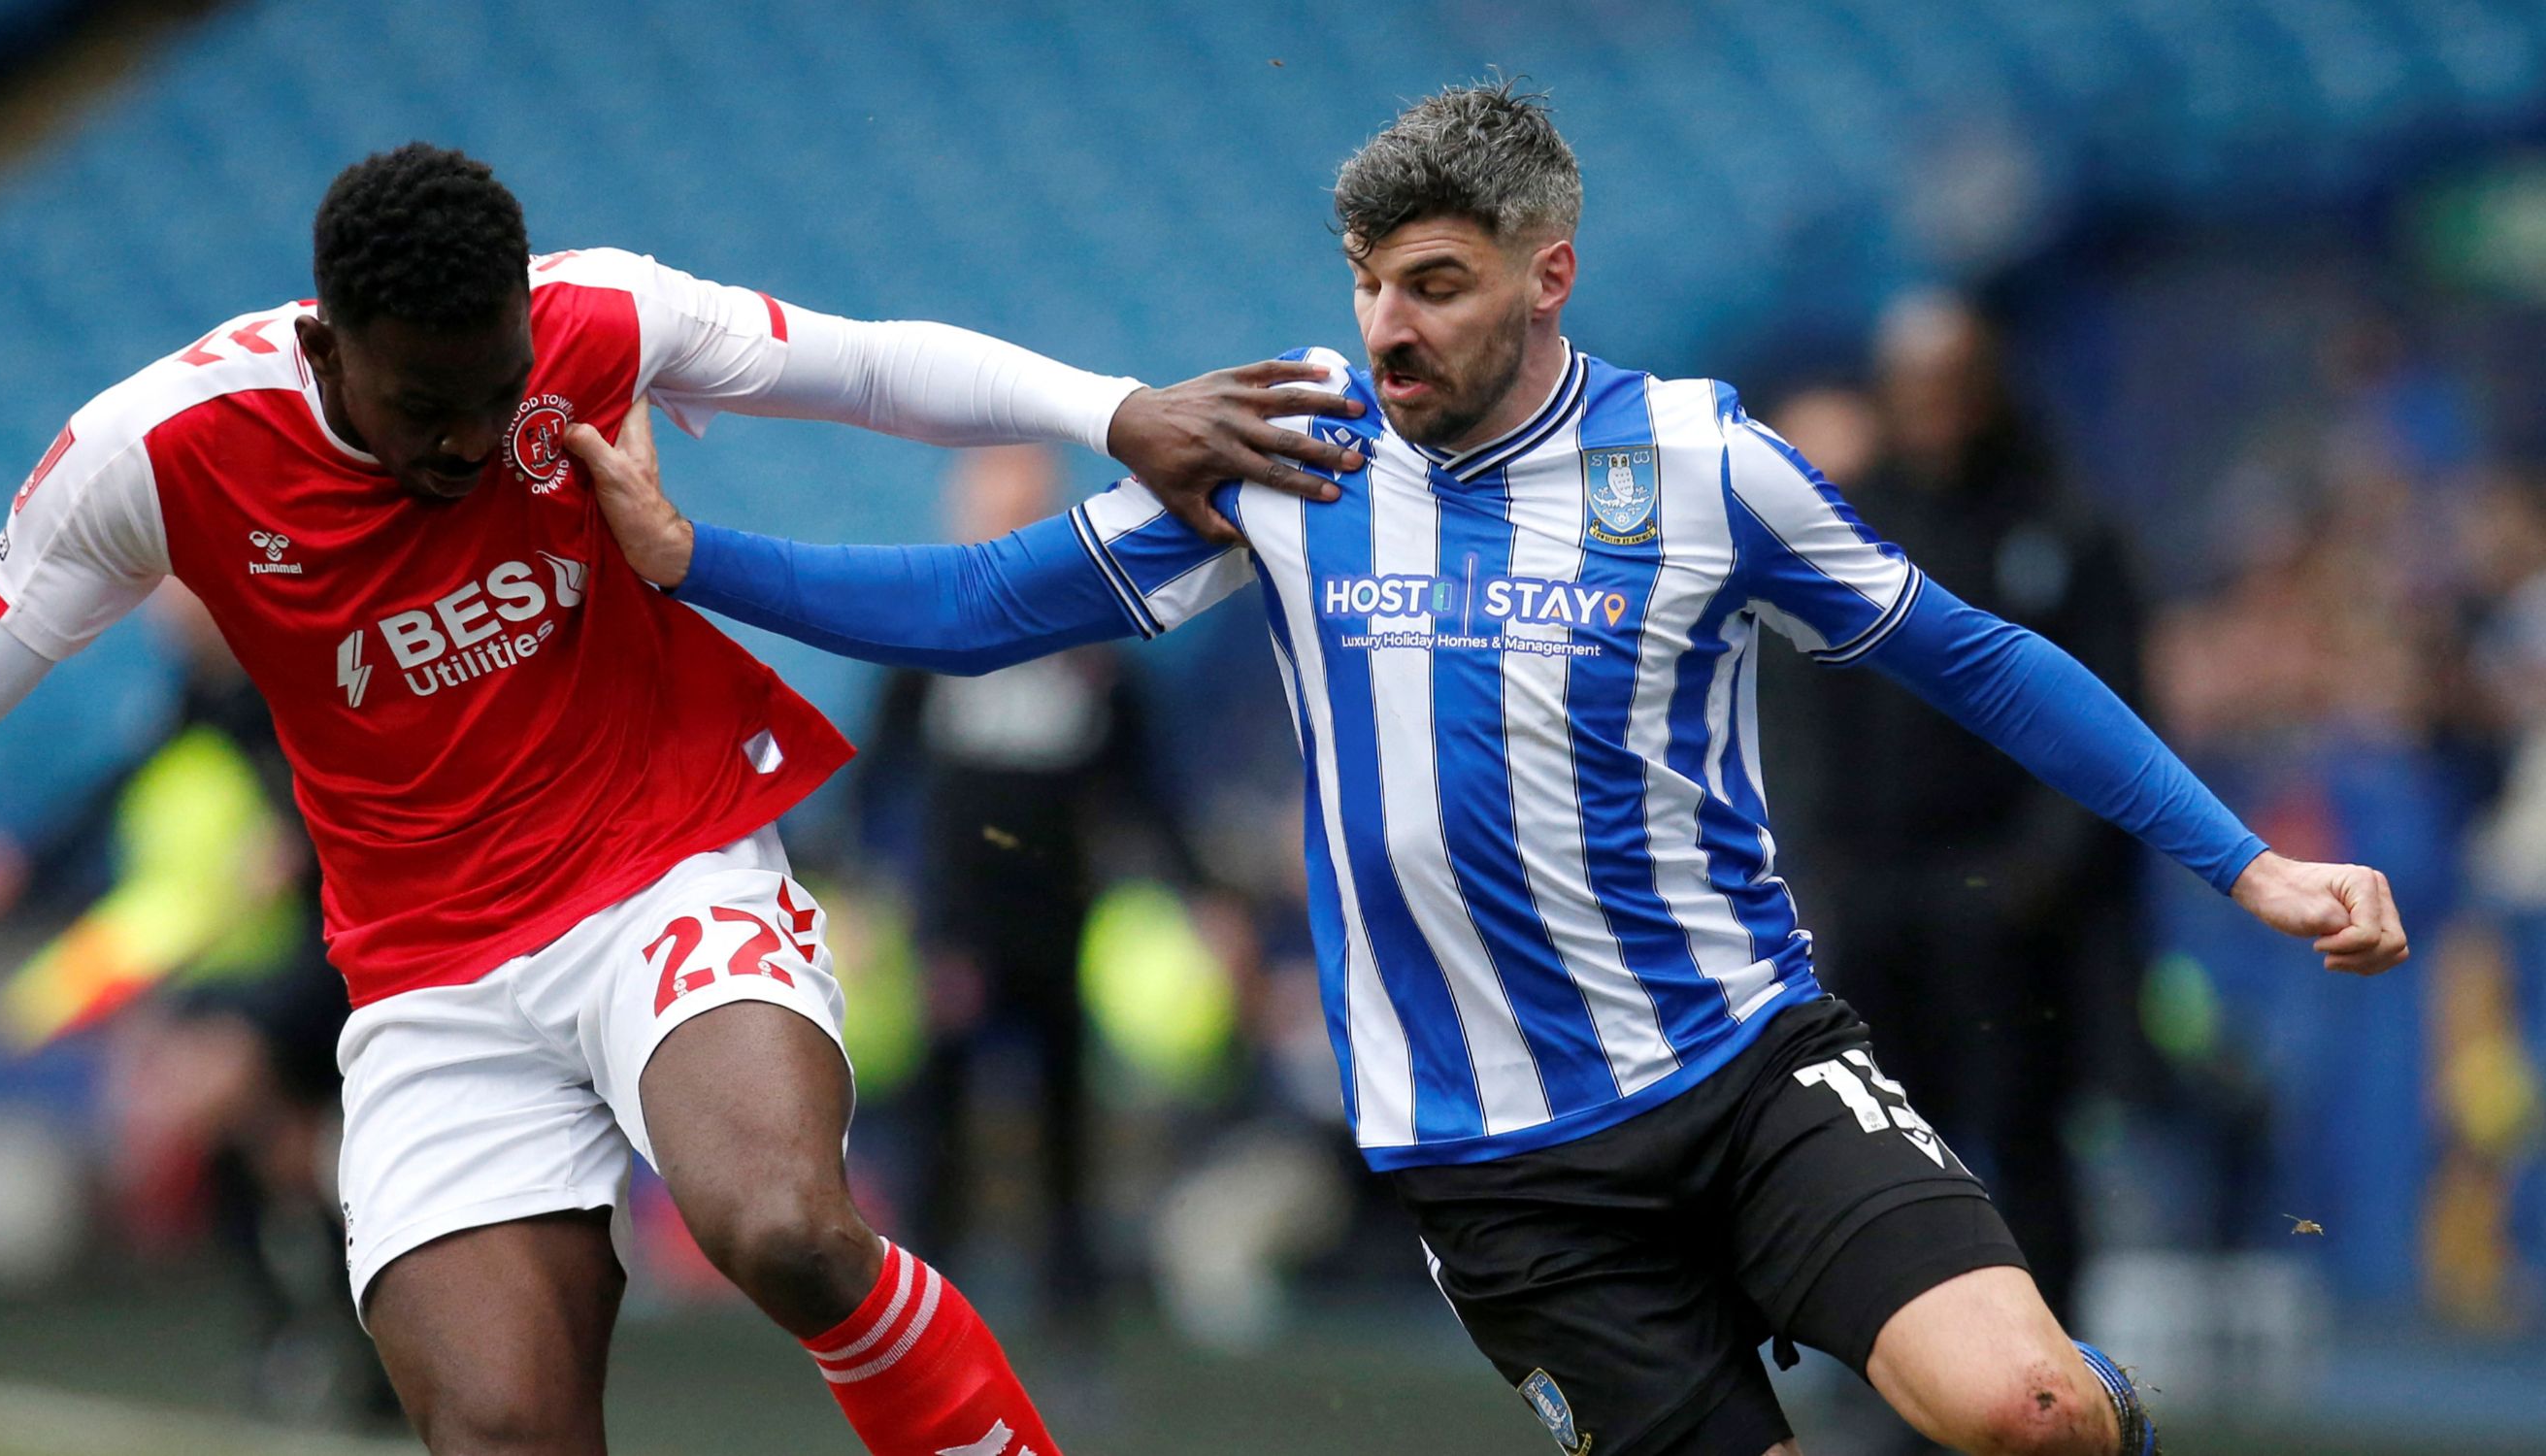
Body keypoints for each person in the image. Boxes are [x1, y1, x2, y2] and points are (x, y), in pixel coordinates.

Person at [558, 83, 2410, 1456]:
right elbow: (982, 605)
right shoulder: (1294, 444)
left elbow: (1976, 657)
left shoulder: (1699, 460)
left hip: (1751, 1069)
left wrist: (2243, 864)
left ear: (1551, 274)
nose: (1388, 327)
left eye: (1434, 285)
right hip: (1506, 1170)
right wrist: (696, 562)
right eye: (1368, 283)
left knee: (2029, 1414)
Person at [0, 142, 1365, 1456]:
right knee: (497, 1428)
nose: (482, 442)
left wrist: (1112, 412)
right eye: (432, 411)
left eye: (501, 391)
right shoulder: (159, 452)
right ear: (327, 347)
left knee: (781, 1224)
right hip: (425, 974)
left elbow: (870, 365)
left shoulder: (599, 320)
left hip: (662, 869)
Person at [1765, 298, 2152, 1325]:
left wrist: (2043, 869)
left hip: (2017, 908)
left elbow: (2112, 711)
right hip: (1883, 894)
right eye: (1914, 387)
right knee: (1885, 1144)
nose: (1933, 409)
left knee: (2028, 1138)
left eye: (1952, 384)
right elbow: (1806, 706)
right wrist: (1826, 864)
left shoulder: (2061, 527)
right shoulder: (1849, 523)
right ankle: (1907, 1376)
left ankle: (2054, 1363)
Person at [858, 445, 1188, 1345]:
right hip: (955, 930)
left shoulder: (1094, 656)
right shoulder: (925, 644)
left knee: (1064, 1130)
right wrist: (853, 893)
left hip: (1062, 922)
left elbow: (1145, 789)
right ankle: (922, 1322)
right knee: (940, 1133)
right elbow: (875, 786)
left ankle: (1072, 1323)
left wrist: (1204, 895)